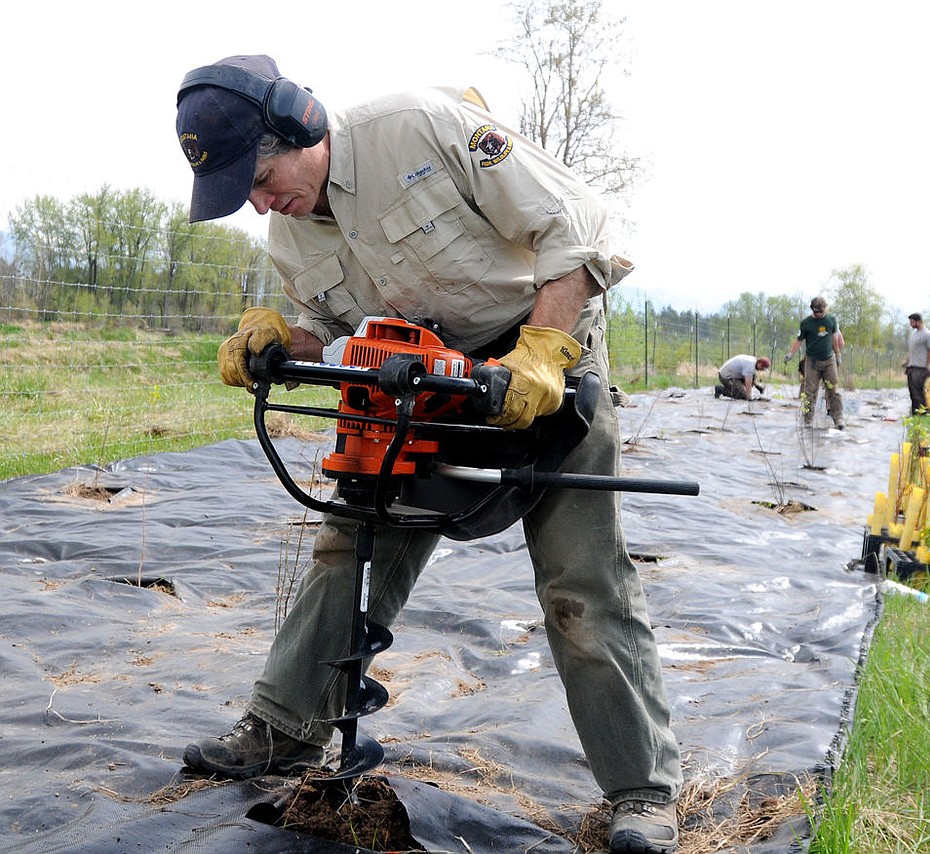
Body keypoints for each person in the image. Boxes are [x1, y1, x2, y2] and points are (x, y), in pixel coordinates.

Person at [174, 55, 680, 853]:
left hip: (542, 357)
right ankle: (284, 728)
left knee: (579, 582)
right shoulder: (289, 227)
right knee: (351, 545)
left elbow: (577, 227)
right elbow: (331, 327)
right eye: (246, 192)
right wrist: (280, 337)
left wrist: (543, 351)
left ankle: (642, 791)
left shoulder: (419, 129)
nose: (263, 200)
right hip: (424, 380)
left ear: (301, 123)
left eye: (263, 175)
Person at [783, 296, 844, 429]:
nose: (818, 315)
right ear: (812, 310)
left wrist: (838, 353)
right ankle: (808, 420)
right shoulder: (806, 323)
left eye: (820, 312)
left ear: (824, 309)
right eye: (815, 312)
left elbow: (834, 337)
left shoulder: (831, 320)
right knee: (809, 390)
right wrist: (791, 353)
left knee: (833, 389)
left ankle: (838, 419)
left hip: (829, 360)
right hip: (812, 362)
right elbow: (799, 340)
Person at [905, 312, 930, 416]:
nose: (910, 324)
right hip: (912, 367)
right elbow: (912, 350)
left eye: (912, 322)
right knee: (912, 391)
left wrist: (928, 365)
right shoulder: (914, 334)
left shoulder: (928, 335)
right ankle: (914, 412)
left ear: (918, 321)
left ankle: (924, 412)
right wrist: (906, 361)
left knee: (919, 392)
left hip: (921, 368)